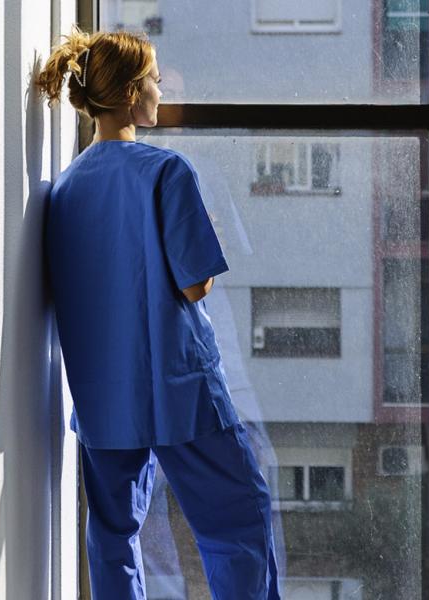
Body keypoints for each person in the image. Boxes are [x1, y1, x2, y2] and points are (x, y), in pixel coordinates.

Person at [34, 24, 281, 600]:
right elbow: (195, 287)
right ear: (126, 94)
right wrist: (205, 235)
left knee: (115, 534)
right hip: (178, 389)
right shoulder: (167, 173)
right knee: (237, 519)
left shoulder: (64, 190)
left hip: (103, 397)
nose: (160, 91)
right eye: (154, 80)